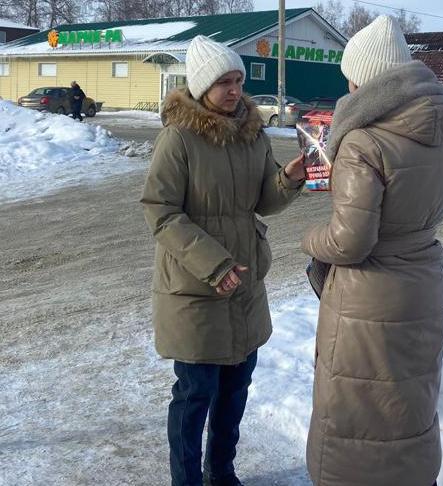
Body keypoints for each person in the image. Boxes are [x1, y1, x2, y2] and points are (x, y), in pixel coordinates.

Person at [140, 35, 305, 486]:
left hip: (245, 285)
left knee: (235, 391)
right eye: (223, 83)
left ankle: (222, 472)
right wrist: (215, 265)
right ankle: (186, 480)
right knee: (195, 394)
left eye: (237, 80)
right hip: (197, 288)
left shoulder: (253, 135)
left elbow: (261, 202)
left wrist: (286, 180)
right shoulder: (179, 139)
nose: (234, 90)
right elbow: (161, 211)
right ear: (200, 87)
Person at [301, 15, 443, 486]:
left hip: (368, 295)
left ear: (361, 78)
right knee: (408, 399)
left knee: (355, 409)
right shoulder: (436, 136)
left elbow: (350, 241)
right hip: (423, 284)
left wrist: (308, 237)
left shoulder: (364, 142)